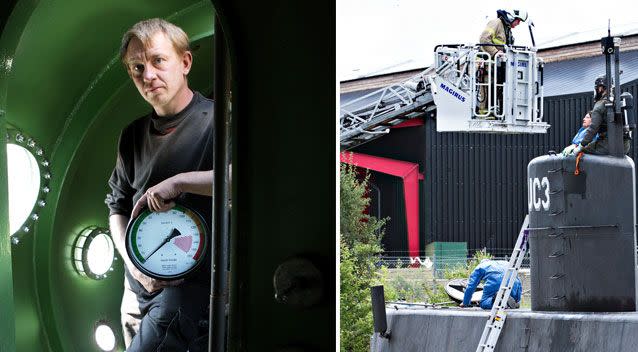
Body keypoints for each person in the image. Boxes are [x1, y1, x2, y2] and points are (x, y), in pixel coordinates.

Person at [104, 18, 214, 352]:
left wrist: (180, 183)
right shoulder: (132, 135)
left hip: (187, 288)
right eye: (137, 67)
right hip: (136, 288)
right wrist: (133, 266)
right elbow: (117, 206)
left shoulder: (221, 121)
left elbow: (246, 179)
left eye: (158, 60)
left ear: (185, 62)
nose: (148, 75)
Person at [477, 9, 528, 117]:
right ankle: (485, 114)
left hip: (498, 65)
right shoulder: (496, 23)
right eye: (518, 20)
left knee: (499, 88)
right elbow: (484, 39)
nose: (518, 24)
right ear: (511, 17)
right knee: (487, 88)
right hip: (487, 63)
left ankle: (496, 113)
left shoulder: (507, 30)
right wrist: (495, 53)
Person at [571, 75, 631, 155]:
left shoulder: (600, 104)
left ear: (600, 88)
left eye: (597, 88)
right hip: (624, 146)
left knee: (582, 152)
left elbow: (593, 128)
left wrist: (581, 146)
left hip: (607, 145)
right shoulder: (617, 102)